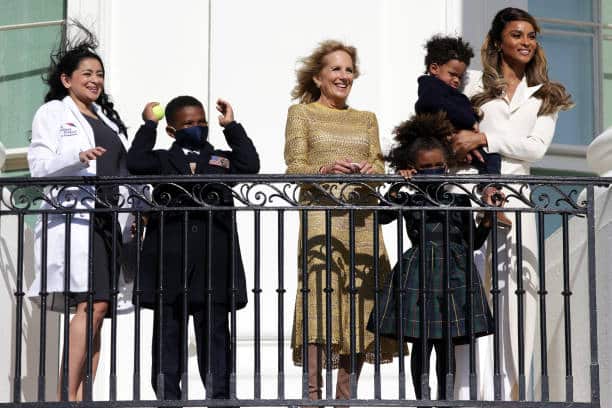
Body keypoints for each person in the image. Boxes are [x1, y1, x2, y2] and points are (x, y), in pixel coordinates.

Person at [450, 7, 573, 400]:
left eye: (531, 36)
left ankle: (510, 392)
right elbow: (454, 137)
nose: (526, 42)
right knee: (470, 291)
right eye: (517, 35)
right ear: (498, 41)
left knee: (517, 295)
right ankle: (468, 392)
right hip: (470, 195)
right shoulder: (471, 83)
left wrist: (485, 139)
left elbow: (534, 149)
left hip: (517, 199)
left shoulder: (546, 95)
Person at [284, 39, 398, 402]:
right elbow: (294, 168)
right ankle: (313, 397)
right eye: (335, 69)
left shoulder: (366, 119)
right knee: (320, 299)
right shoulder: (301, 114)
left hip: (362, 219)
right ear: (318, 77)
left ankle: (344, 397)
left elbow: (380, 168)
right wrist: (325, 169)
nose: (344, 75)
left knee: (360, 303)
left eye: (349, 70)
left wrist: (371, 171)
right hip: (321, 218)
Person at [126, 96, 260, 401]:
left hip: (213, 263)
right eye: (188, 123)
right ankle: (168, 399)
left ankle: (220, 398)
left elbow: (250, 165)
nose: (197, 127)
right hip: (169, 263)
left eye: (201, 122)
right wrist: (149, 125)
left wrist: (231, 126)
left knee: (215, 336)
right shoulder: (162, 160)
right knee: (168, 336)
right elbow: (135, 162)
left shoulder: (220, 160)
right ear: (172, 131)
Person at [27, 25, 131, 401]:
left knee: (100, 310)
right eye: (87, 73)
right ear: (66, 79)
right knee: (93, 305)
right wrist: (77, 156)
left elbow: (125, 171)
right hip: (78, 219)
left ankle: (83, 396)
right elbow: (39, 167)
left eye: (99, 74)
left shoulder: (107, 119)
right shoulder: (53, 113)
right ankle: (66, 397)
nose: (95, 80)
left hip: (108, 221)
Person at [367, 112, 496, 401]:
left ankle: (445, 401)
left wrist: (487, 219)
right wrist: (398, 185)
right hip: (419, 274)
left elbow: (473, 243)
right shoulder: (408, 198)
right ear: (413, 168)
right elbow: (381, 217)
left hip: (455, 274)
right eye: (426, 167)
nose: (434, 171)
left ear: (447, 165)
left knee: (447, 344)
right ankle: (422, 401)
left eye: (439, 165)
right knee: (422, 344)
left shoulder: (460, 200)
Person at [414, 34, 511, 227]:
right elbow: (432, 105)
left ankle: (491, 197)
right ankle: (490, 196)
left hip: (459, 140)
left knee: (491, 156)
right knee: (490, 157)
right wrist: (470, 121)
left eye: (460, 76)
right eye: (452, 74)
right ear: (434, 68)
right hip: (440, 141)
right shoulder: (430, 86)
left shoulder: (446, 90)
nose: (456, 80)